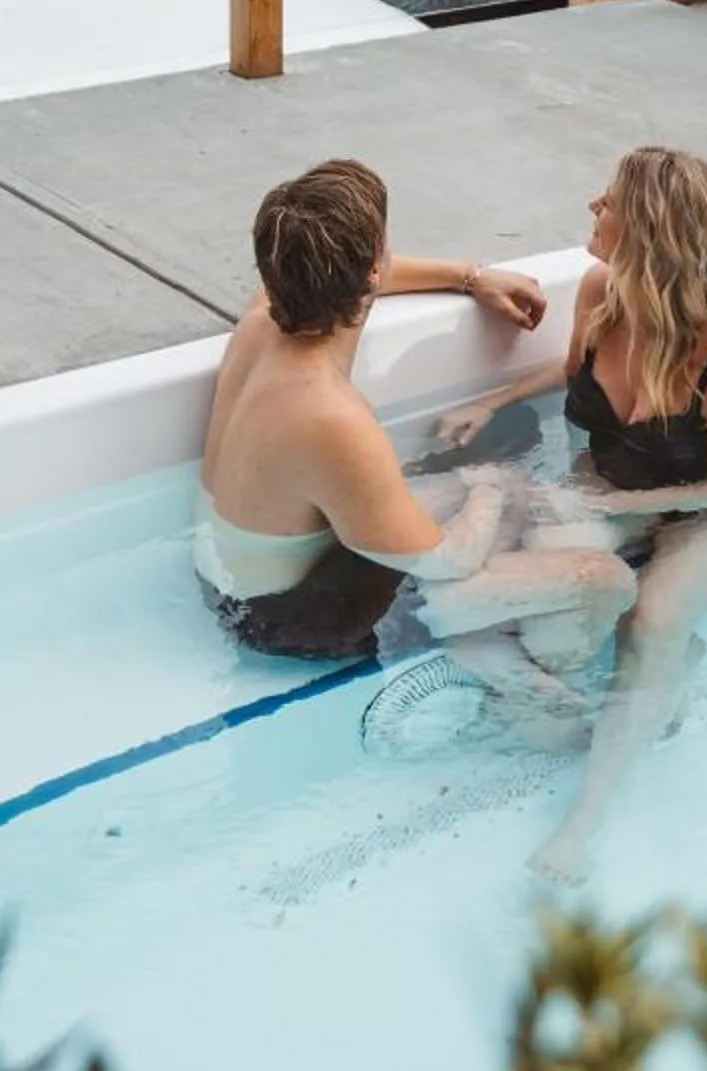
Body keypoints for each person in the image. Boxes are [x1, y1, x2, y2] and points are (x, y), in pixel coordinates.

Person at [431, 145, 707, 882]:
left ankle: (582, 825)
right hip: (624, 483)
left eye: (609, 202)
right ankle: (636, 694)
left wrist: (624, 504)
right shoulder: (602, 290)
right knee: (530, 584)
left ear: (651, 230)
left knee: (653, 620)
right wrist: (491, 401)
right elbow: (576, 376)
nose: (592, 208)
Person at [198, 160, 637, 705]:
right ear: (371, 270)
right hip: (293, 621)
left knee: (508, 485)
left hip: (234, 581)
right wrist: (490, 485)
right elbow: (449, 557)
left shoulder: (267, 311)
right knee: (604, 577)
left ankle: (483, 643)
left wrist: (471, 278)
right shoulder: (330, 415)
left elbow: (371, 271)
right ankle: (521, 689)